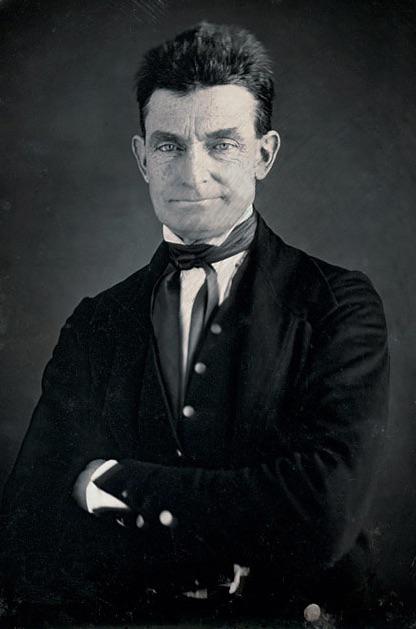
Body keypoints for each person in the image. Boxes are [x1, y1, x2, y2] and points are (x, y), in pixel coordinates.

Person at [1, 22, 389, 625]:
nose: (192, 173)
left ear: (264, 154)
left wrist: (116, 483)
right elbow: (29, 526)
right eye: (169, 146)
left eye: (222, 144)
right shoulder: (96, 322)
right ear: (142, 158)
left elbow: (323, 512)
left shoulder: (337, 304)